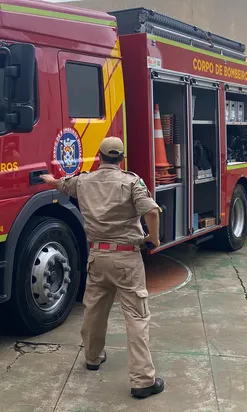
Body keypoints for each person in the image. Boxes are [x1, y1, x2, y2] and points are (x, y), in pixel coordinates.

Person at [40, 136, 164, 399]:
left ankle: (93, 357)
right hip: (127, 258)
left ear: (99, 156)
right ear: (121, 158)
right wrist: (153, 238)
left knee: (94, 310)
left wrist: (48, 179)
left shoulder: (84, 181)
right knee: (137, 317)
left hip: (97, 257)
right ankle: (142, 380)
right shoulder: (131, 182)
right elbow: (151, 212)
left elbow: (63, 185)